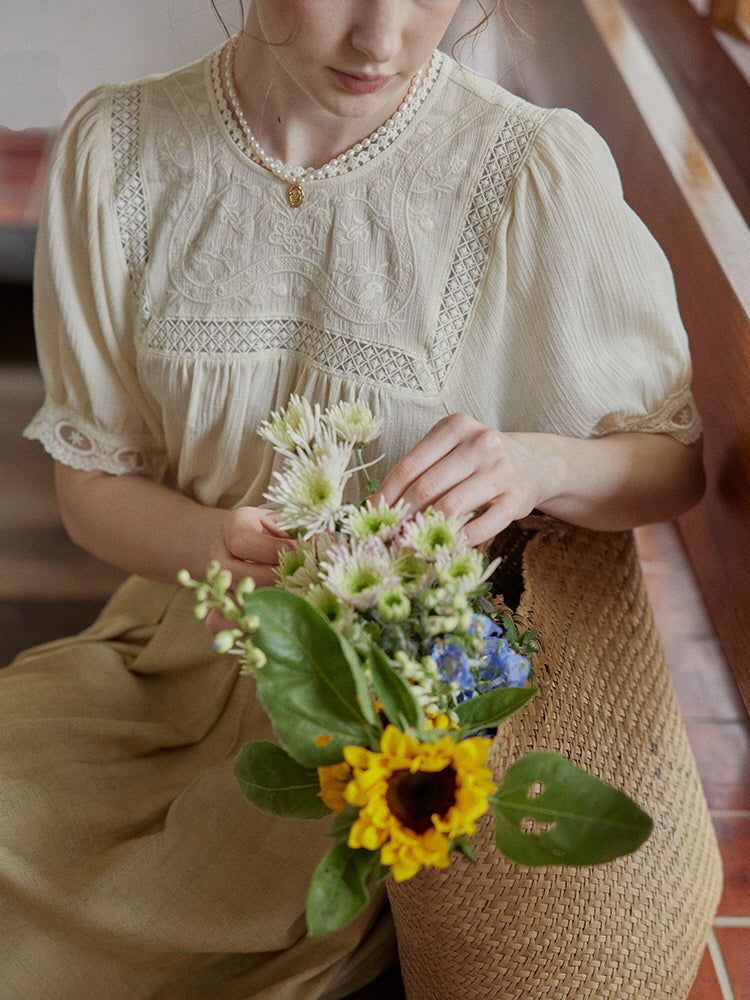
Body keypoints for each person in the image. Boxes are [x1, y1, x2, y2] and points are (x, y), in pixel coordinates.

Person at [1, 1, 721, 997]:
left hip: (402, 732)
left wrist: (535, 463)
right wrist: (216, 541)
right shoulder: (115, 153)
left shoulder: (534, 170)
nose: (381, 39)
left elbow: (670, 459)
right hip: (166, 664)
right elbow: (91, 482)